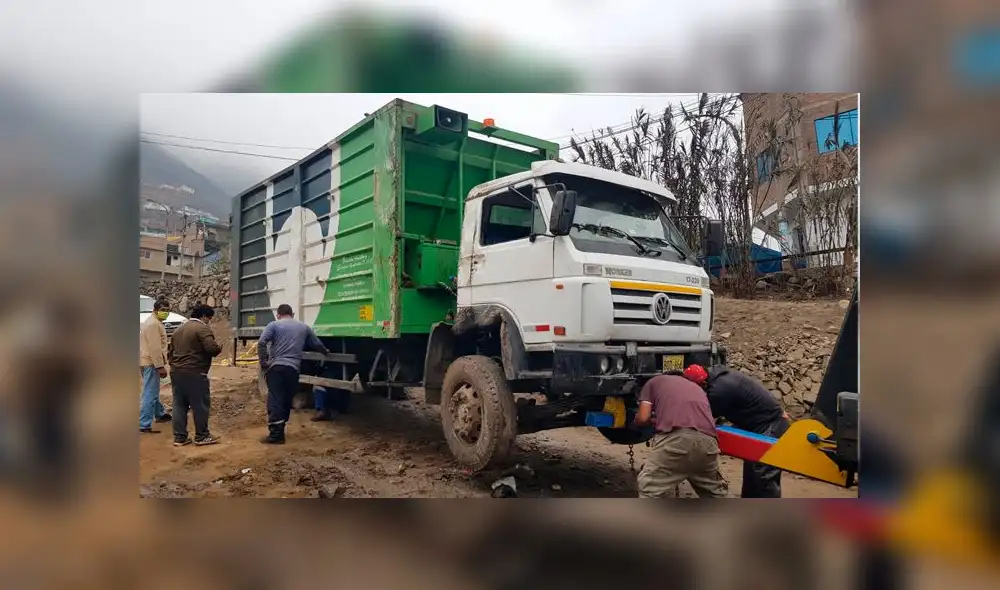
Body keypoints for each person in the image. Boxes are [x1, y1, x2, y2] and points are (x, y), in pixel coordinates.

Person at [683, 364, 790, 498]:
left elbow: (705, 418)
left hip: (771, 424)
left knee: (762, 471)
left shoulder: (720, 390)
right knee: (752, 469)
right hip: (761, 422)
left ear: (702, 383)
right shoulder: (718, 376)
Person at [632, 370, 728, 498]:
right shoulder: (696, 388)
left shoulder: (654, 382)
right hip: (709, 442)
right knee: (714, 494)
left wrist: (635, 421)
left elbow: (643, 418)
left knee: (649, 490)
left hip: (677, 440)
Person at [258, 304, 330, 444]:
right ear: (293, 313)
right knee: (286, 400)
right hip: (293, 370)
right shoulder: (304, 327)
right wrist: (326, 353)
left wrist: (263, 361)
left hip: (276, 368)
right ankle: (280, 429)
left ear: (278, 314)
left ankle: (276, 435)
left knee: (275, 400)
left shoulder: (273, 325)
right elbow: (317, 344)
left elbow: (262, 342)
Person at [167, 305, 222, 446]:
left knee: (179, 405)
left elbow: (170, 353)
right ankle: (202, 436)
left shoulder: (178, 330)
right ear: (203, 316)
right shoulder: (202, 328)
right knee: (200, 405)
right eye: (209, 318)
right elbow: (211, 349)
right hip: (195, 372)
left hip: (176, 372)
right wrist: (219, 347)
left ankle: (180, 438)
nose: (209, 321)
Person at [138, 298, 173, 433]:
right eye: (163, 310)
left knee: (152, 390)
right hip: (151, 362)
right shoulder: (153, 324)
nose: (166, 313)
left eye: (168, 310)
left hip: (145, 360)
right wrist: (159, 366)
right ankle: (144, 424)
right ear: (155, 310)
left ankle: (160, 414)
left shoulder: (153, 322)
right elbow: (155, 348)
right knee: (150, 393)